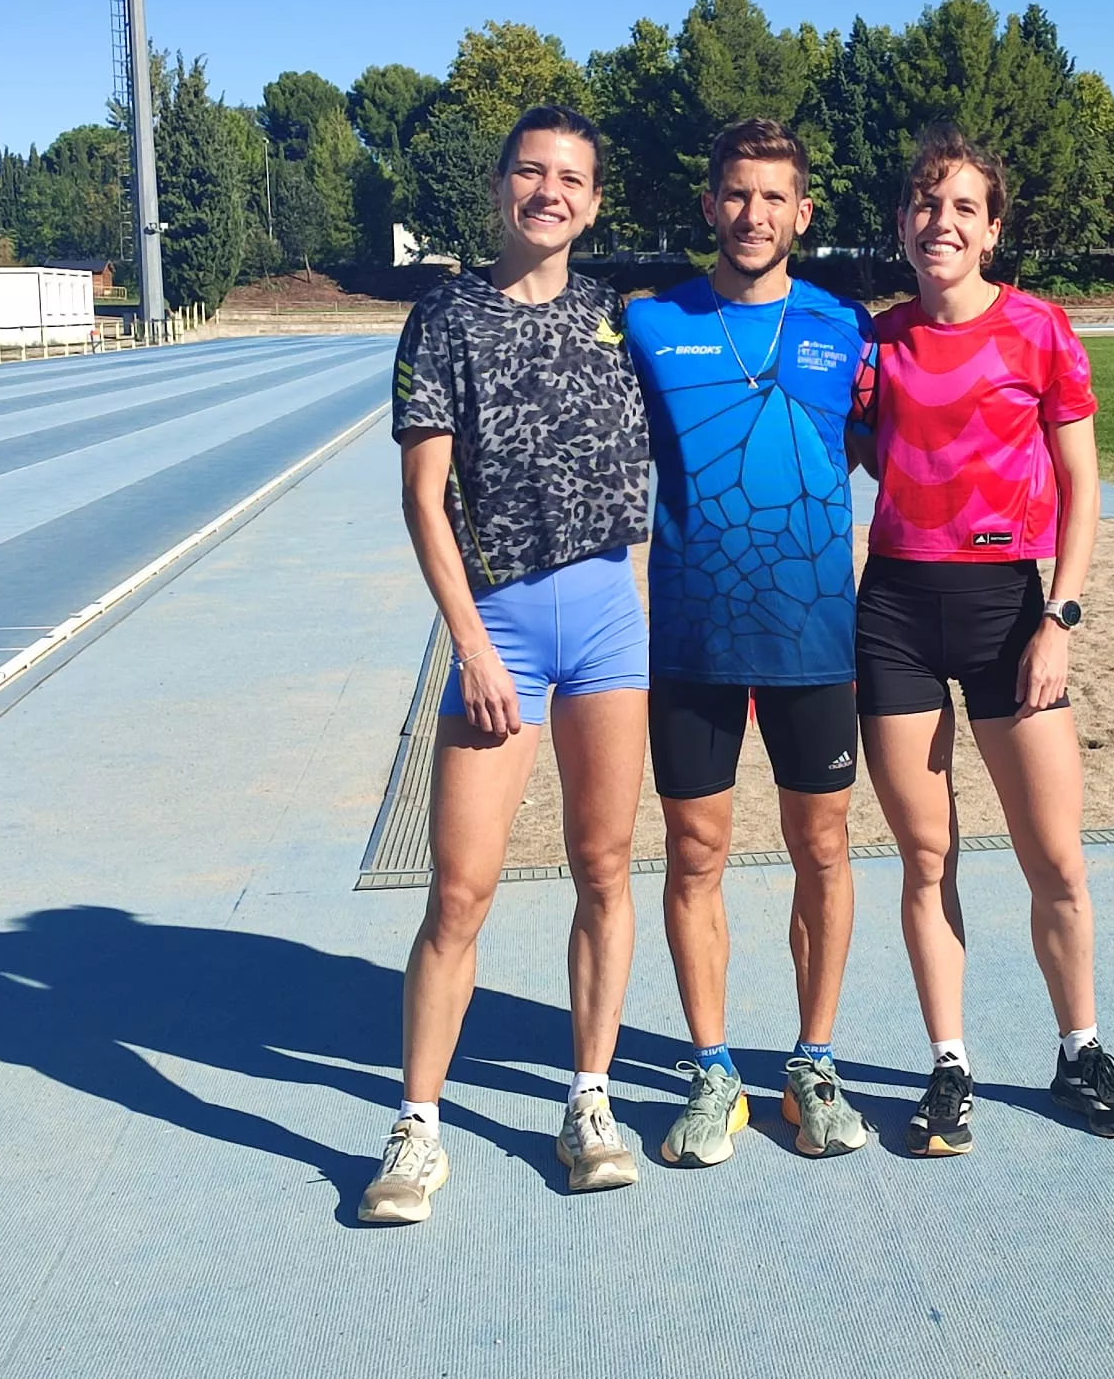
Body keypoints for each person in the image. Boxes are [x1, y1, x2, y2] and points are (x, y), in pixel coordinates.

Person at [360, 105, 651, 1217]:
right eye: (531, 172)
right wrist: (472, 646)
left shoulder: (614, 314)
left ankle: (589, 1099)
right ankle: (416, 1127)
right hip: (502, 636)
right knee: (460, 889)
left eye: (570, 178)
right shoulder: (444, 318)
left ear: (593, 200)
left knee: (603, 868)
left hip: (609, 623)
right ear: (498, 187)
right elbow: (421, 501)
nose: (549, 192)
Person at [855, 123, 1114, 1157]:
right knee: (926, 857)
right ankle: (949, 1066)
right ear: (902, 223)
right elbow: (852, 456)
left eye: (963, 208)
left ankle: (1078, 1049)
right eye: (924, 204)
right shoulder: (876, 343)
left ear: (992, 229)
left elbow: (1082, 485)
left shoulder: (1039, 330)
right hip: (894, 615)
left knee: (1056, 861)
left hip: (1009, 616)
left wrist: (1058, 618)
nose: (940, 223)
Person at [625, 118, 874, 1167]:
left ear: (802, 213)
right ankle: (713, 1068)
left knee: (823, 847)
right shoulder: (650, 323)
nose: (752, 214)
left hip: (813, 634)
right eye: (735, 193)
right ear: (708, 204)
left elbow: (879, 450)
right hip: (692, 638)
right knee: (695, 853)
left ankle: (812, 1063)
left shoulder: (845, 325)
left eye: (773, 197)